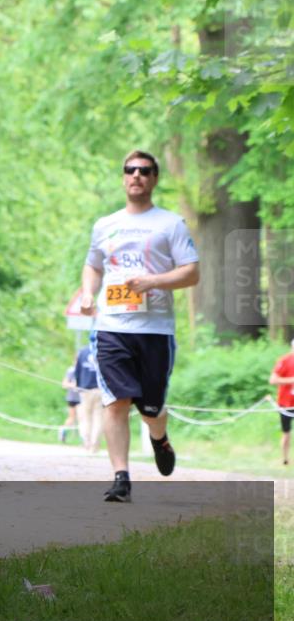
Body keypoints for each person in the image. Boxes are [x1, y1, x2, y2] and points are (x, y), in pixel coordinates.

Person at [81, 150, 200, 503]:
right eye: (130, 170)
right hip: (111, 326)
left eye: (144, 171)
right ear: (123, 177)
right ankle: (121, 478)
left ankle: (159, 438)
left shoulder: (171, 224)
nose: (137, 175)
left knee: (151, 408)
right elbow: (93, 266)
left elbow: (192, 272)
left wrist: (153, 282)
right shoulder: (105, 224)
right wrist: (87, 293)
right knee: (116, 403)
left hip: (155, 329)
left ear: (154, 179)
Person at [73, 343, 103, 453]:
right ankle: (94, 444)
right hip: (100, 389)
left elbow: (77, 370)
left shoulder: (83, 352)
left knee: (85, 418)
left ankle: (86, 442)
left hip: (85, 389)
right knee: (98, 418)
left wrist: (78, 385)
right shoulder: (103, 350)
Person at [269, 339, 294, 466]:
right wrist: (291, 380)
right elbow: (273, 380)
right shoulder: (285, 361)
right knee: (286, 433)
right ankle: (285, 458)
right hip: (286, 403)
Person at [59, 362, 80, 443]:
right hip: (73, 398)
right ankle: (63, 431)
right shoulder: (71, 370)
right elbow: (64, 384)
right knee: (72, 417)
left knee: (81, 418)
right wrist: (73, 385)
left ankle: (82, 438)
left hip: (82, 397)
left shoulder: (87, 367)